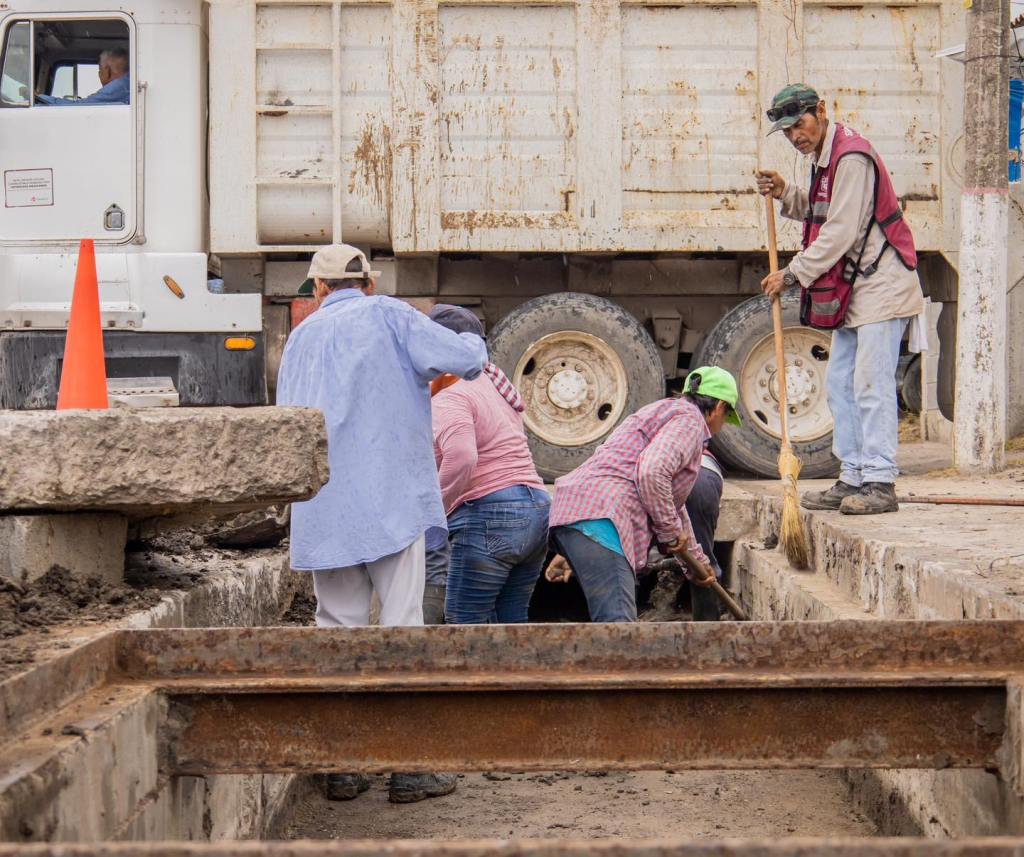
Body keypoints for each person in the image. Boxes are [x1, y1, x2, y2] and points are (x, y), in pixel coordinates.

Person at [276, 244, 486, 804]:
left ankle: (344, 768)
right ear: (367, 282)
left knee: (337, 632)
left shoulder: (301, 339)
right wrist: (472, 337)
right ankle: (408, 768)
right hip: (391, 500)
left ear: (316, 289)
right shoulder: (390, 316)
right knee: (401, 626)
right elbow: (468, 363)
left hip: (323, 508)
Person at [756, 84, 923, 515]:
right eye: (788, 131)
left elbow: (841, 229)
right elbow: (822, 212)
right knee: (840, 385)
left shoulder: (851, 156)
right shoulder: (823, 160)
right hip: (855, 288)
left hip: (881, 285)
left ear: (821, 112)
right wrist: (786, 192)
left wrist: (792, 273)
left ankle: (880, 481)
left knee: (871, 385)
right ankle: (851, 476)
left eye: (800, 124)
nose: (796, 136)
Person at [544, 367, 741, 623]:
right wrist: (669, 532)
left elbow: (671, 502)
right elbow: (651, 473)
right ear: (719, 407)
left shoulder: (663, 411)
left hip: (580, 512)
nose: (721, 425)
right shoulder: (691, 422)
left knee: (617, 627)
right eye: (725, 416)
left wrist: (698, 564)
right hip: (603, 519)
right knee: (620, 629)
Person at [428, 304, 550, 624]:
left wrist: (433, 510)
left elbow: (462, 458)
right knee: (509, 622)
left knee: (464, 623)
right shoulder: (494, 386)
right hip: (535, 508)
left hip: (490, 513)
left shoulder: (450, 395)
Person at [684, 449, 726, 621]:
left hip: (698, 478)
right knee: (703, 562)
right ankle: (709, 631)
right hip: (704, 478)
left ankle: (708, 630)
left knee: (701, 566)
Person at [38, 47, 130, 105]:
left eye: (100, 69)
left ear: (107, 70)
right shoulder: (126, 84)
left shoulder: (119, 86)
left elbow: (79, 107)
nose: (99, 74)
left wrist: (39, 97)